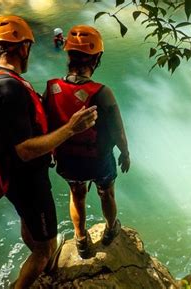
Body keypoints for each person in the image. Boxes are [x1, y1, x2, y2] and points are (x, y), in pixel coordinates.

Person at [0, 16, 97, 288]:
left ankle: (38, 254)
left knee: (30, 224)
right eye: (29, 47)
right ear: (23, 47)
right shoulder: (10, 89)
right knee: (45, 247)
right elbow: (24, 150)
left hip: (11, 177)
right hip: (28, 182)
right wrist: (70, 129)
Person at [44, 25, 130, 259]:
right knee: (106, 192)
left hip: (67, 158)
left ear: (69, 55)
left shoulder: (51, 87)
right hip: (97, 159)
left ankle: (81, 239)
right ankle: (111, 229)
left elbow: (47, 122)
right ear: (97, 57)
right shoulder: (102, 92)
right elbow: (117, 130)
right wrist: (125, 152)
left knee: (77, 194)